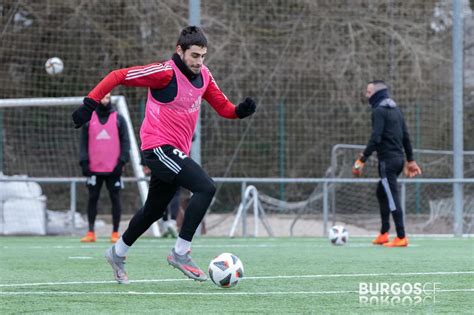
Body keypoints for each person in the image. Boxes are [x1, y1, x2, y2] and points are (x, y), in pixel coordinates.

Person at [72, 26, 256, 284]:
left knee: (154, 210)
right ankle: (181, 253)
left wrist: (240, 111)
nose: (199, 61)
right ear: (179, 51)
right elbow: (118, 75)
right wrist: (89, 104)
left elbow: (223, 108)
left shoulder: (204, 75)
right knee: (205, 187)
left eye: (203, 56)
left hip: (175, 151)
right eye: (194, 55)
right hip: (158, 147)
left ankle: (117, 252)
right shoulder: (164, 72)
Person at [352, 80, 421, 247]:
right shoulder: (396, 110)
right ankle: (384, 233)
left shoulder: (379, 111)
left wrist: (362, 160)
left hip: (387, 163)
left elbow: (376, 138)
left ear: (376, 93)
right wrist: (410, 160)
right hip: (398, 161)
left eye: (368, 92)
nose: (366, 95)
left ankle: (401, 236)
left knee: (391, 197)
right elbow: (406, 137)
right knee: (381, 192)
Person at [79, 93, 130, 243]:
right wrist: (84, 162)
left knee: (115, 199)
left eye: (107, 97)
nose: (104, 100)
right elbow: (83, 143)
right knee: (92, 199)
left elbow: (126, 143)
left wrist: (121, 162)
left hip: (114, 169)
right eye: (102, 97)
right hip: (94, 169)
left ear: (110, 99)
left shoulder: (119, 119)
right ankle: (90, 232)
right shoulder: (88, 119)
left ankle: (115, 233)